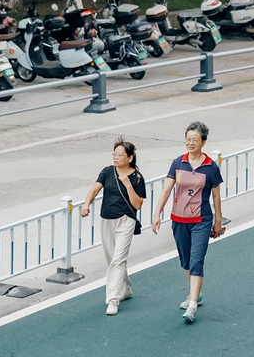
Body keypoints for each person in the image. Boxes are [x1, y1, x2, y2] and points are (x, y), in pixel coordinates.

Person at [151, 121, 225, 323]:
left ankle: (192, 305)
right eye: (188, 139)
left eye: (195, 140)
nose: (190, 143)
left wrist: (217, 222)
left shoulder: (211, 167)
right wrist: (157, 214)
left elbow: (216, 197)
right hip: (179, 219)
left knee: (197, 260)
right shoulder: (178, 163)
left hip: (201, 220)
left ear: (203, 142)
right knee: (185, 261)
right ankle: (196, 294)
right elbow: (167, 190)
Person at [81, 138, 146, 315]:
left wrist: (128, 185)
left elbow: (138, 204)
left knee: (118, 259)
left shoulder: (137, 178)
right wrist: (86, 204)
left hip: (126, 220)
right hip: (106, 219)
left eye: (120, 155)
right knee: (113, 259)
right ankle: (126, 288)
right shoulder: (108, 171)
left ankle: (113, 299)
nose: (116, 158)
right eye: (114, 154)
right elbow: (95, 189)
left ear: (130, 158)